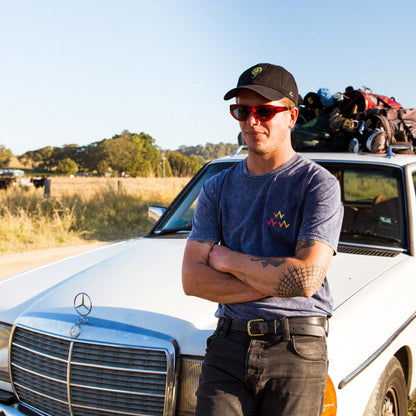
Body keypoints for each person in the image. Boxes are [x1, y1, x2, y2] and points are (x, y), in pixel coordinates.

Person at [182, 63, 344, 416]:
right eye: (242, 111)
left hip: (297, 346)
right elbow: (192, 280)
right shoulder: (217, 187)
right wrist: (277, 278)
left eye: (265, 111)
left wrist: (226, 261)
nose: (251, 122)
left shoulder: (317, 185)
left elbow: (305, 279)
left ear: (292, 116)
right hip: (229, 343)